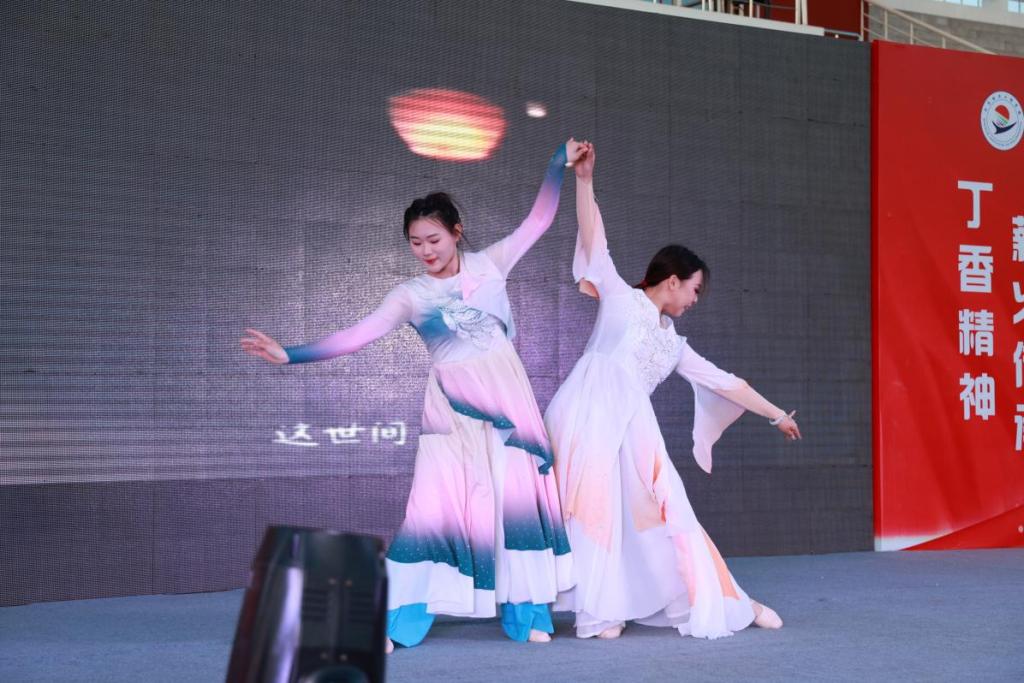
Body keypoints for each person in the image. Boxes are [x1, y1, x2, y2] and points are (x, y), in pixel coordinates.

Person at [241, 140, 585, 650]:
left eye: (434, 239)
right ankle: (398, 623)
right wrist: (291, 354)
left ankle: (526, 614)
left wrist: (557, 163)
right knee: (433, 509)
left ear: (456, 232)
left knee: (515, 500)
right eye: (415, 242)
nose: (426, 250)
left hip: (508, 404)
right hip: (450, 409)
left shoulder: (491, 264)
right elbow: (357, 335)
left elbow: (538, 221)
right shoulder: (410, 295)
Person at [545, 142, 801, 640]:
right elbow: (594, 238)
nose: (695, 300)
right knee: (590, 508)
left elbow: (727, 383)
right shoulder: (620, 299)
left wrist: (776, 414)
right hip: (585, 417)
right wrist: (584, 180)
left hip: (633, 430)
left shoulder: (673, 344)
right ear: (672, 281)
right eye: (695, 289)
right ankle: (599, 610)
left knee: (665, 511)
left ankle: (730, 599)